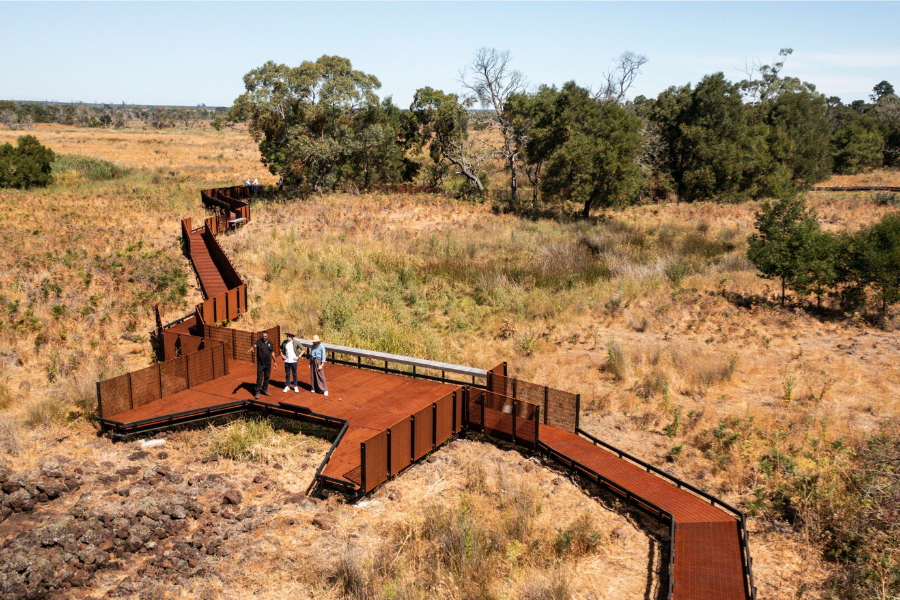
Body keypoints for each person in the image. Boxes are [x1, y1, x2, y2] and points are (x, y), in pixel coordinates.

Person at [247, 331, 275, 399]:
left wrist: (275, 362)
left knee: (267, 377)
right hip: (261, 363)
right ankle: (257, 392)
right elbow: (254, 345)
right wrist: (252, 348)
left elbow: (272, 352)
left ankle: (265, 389)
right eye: (263, 336)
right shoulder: (259, 342)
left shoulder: (270, 343)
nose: (264, 338)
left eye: (265, 336)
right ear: (262, 336)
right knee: (259, 378)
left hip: (268, 363)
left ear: (267, 336)